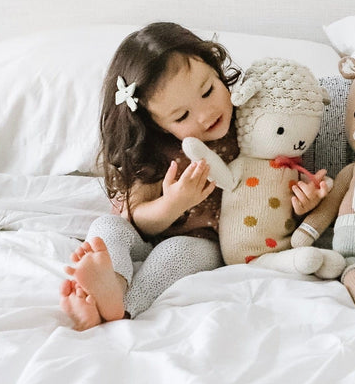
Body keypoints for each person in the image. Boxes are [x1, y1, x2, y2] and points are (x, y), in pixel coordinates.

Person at [59, 22, 328, 330]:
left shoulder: (249, 126)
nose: (205, 114)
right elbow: (138, 220)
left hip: (206, 242)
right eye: (182, 116)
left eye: (208, 91)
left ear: (215, 69)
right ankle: (111, 284)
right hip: (149, 234)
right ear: (158, 125)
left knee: (176, 252)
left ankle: (125, 307)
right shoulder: (155, 152)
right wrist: (174, 203)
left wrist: (304, 202)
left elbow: (275, 183)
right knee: (106, 226)